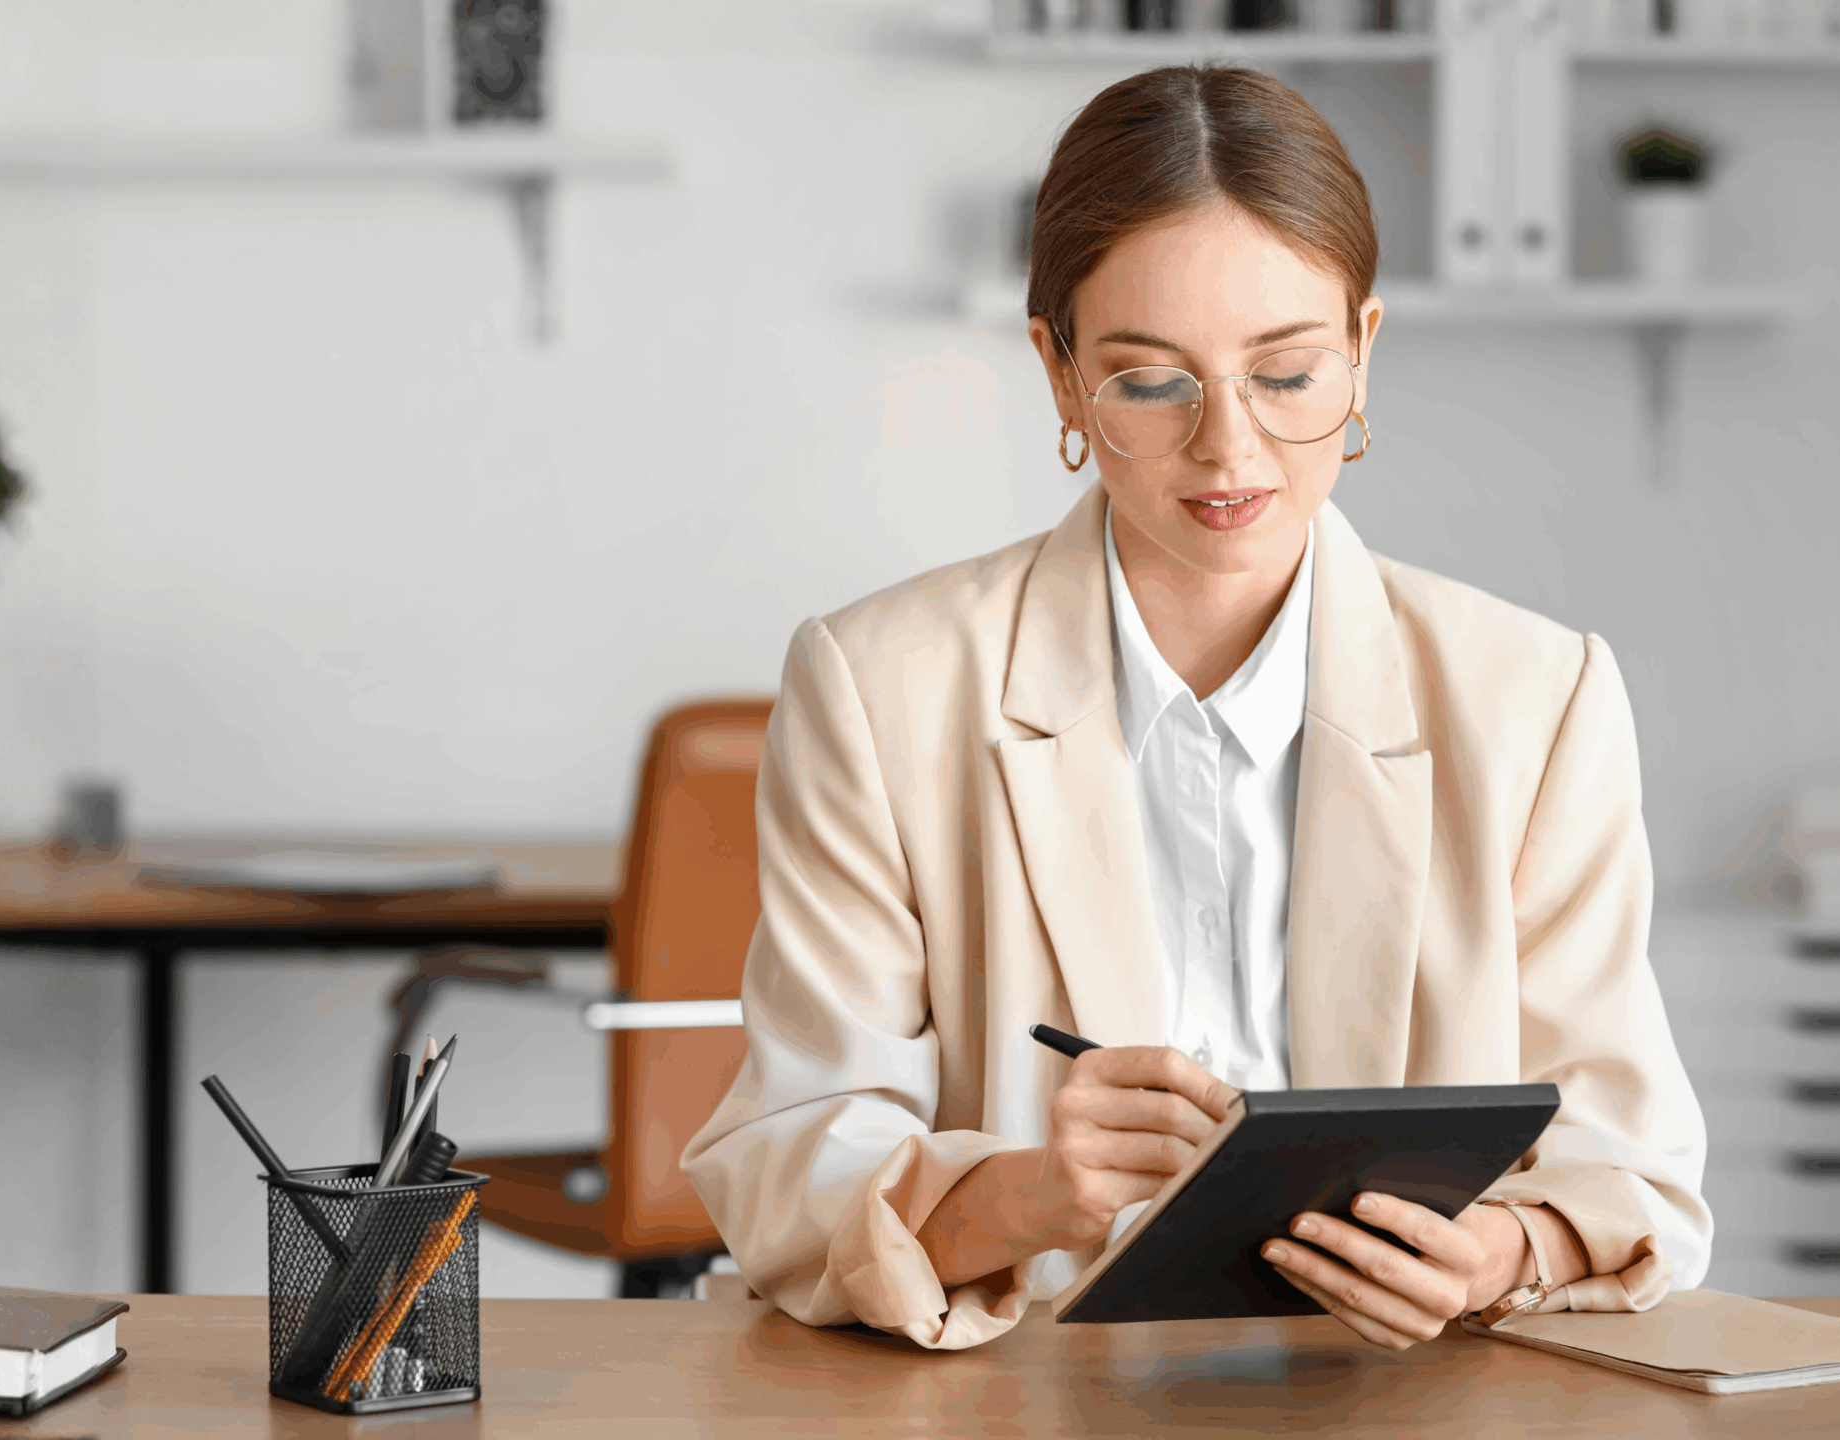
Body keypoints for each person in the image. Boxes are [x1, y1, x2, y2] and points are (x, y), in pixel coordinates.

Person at [683, 63, 1708, 1352]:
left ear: (1364, 353)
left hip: (1406, 1405)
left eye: (1287, 376)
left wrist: (1489, 1256)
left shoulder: (1535, 699)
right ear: (1059, 377)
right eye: (1153, 382)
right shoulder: (879, 684)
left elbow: (1639, 1169)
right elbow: (784, 1159)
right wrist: (1020, 1197)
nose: (1229, 451)